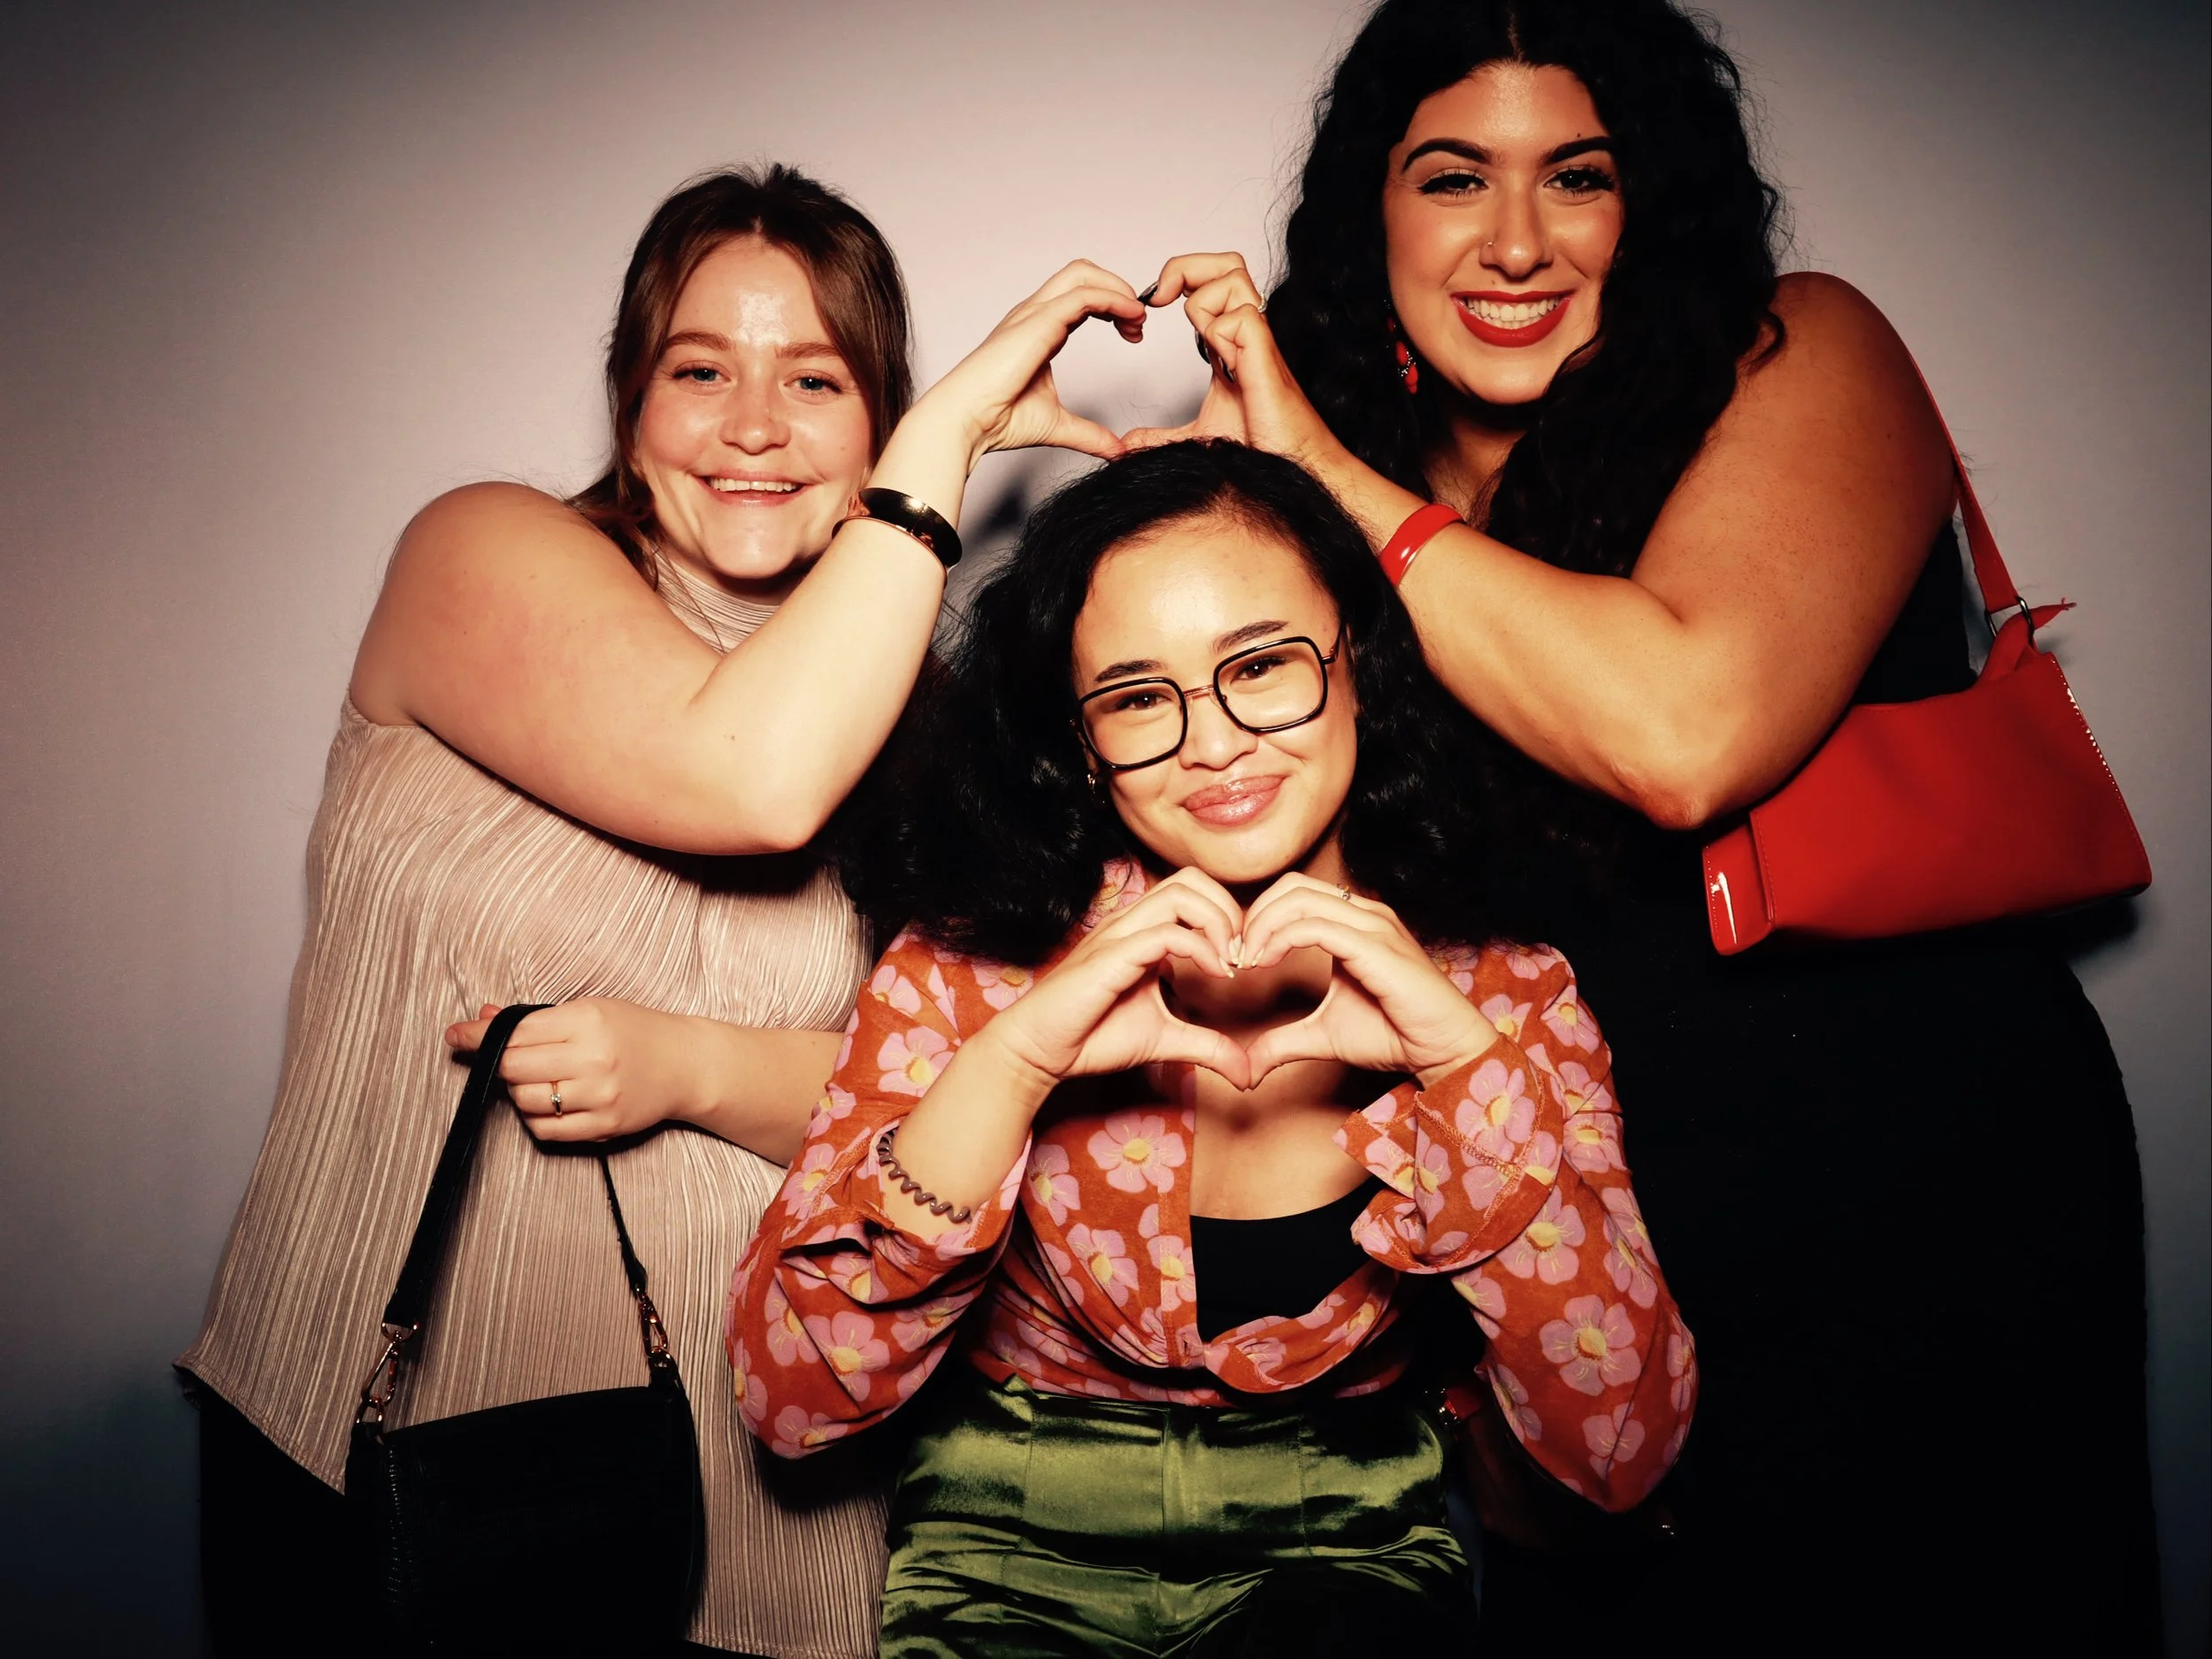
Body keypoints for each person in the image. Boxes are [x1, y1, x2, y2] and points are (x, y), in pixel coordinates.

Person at [1128, 0, 2160, 1648]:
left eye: (1580, 179)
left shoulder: (1800, 351)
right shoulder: (1325, 502)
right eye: (1454, 177)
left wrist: (1310, 469)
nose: (1518, 241)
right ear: (1371, 217)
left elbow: (1682, 738)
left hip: (1908, 1177)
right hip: (1571, 1250)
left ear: (1650, 207)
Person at [178, 163, 1155, 1656]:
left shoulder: (932, 720)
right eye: (700, 369)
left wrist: (684, 1065)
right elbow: (746, 772)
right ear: (631, 398)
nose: (753, 425)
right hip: (386, 1447)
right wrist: (942, 444)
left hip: (769, 1511)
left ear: (871, 417)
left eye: (815, 379)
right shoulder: (481, 552)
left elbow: (968, 1104)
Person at [728, 439, 1695, 1658]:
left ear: (1361, 666)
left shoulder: (1504, 988)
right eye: (1139, 696)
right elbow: (791, 1400)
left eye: (1261, 665)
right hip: (1005, 1557)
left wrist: (1464, 1073)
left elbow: (1623, 1454)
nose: (1212, 742)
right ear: (1081, 743)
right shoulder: (974, 966)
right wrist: (1016, 1061)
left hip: (1353, 1559)